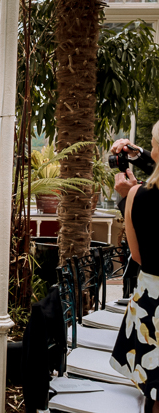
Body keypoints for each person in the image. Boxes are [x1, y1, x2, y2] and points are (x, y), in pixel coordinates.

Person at [110, 120, 159, 412]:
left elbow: (139, 257)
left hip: (153, 305)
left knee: (155, 388)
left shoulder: (136, 199)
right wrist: (138, 153)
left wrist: (127, 199)